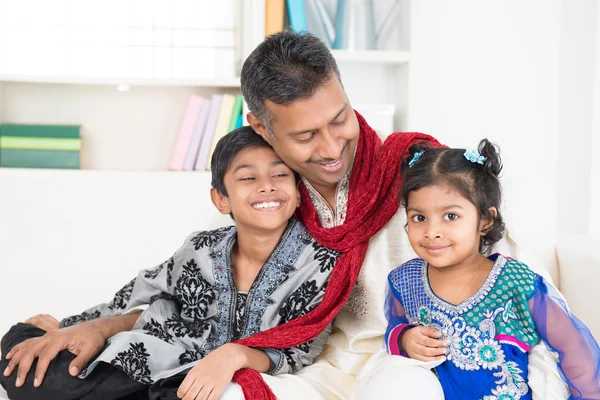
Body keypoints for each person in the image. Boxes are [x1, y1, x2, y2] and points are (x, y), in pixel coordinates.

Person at [241, 31, 574, 399]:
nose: (332, 147)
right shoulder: (262, 194)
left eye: (339, 120)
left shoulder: (421, 173)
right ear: (260, 127)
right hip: (316, 368)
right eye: (305, 136)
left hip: (414, 360)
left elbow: (525, 286)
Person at [0, 126, 336, 400]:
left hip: (207, 384)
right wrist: (76, 325)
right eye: (248, 178)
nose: (267, 186)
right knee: (24, 363)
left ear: (297, 191)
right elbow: (144, 290)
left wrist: (235, 355)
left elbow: (301, 348)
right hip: (156, 355)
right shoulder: (201, 247)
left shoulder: (320, 263)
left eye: (280, 175)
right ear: (221, 199)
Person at [384, 139, 600, 399]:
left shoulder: (515, 281)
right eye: (419, 218)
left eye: (451, 216)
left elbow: (573, 346)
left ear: (485, 220)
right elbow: (395, 325)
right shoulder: (405, 281)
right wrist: (405, 339)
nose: (432, 232)